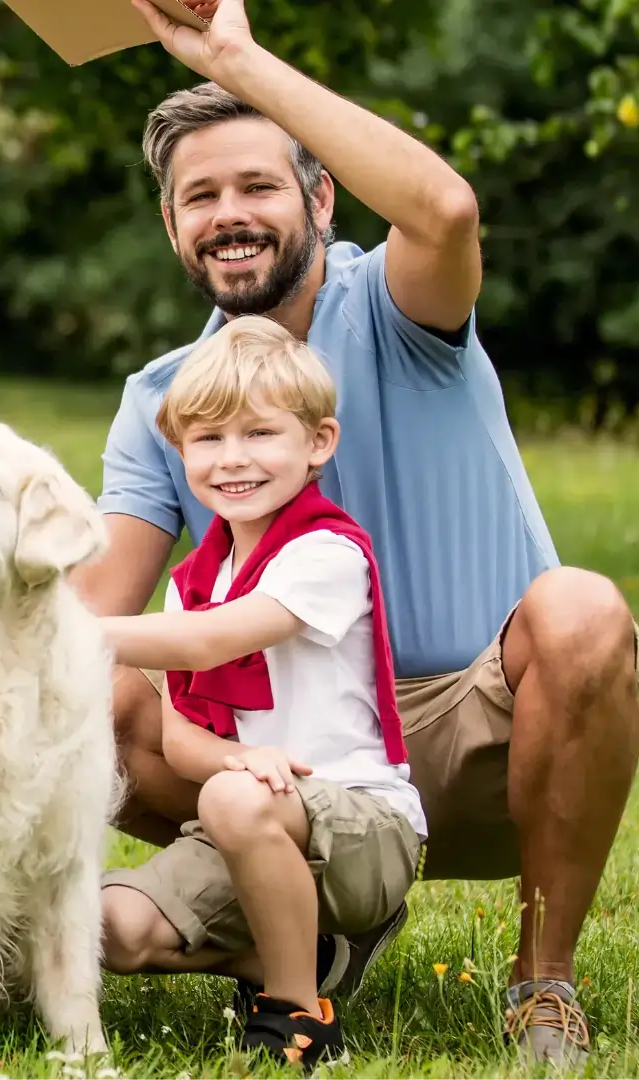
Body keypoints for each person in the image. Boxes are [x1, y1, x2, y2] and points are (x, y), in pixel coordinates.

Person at [79, 0, 639, 1064]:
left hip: (485, 730)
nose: (228, 214)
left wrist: (235, 57)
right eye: (199, 196)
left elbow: (446, 208)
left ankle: (543, 980)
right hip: (286, 763)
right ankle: (301, 943)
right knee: (96, 700)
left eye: (257, 186)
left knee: (581, 611)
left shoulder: (396, 304)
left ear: (321, 196)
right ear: (170, 226)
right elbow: (92, 618)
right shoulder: (162, 397)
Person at [99, 314, 424, 1069]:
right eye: (207, 440)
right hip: (248, 815)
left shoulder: (325, 550)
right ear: (180, 452)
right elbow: (180, 742)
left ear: (317, 443)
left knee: (229, 798)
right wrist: (238, 759)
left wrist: (61, 630)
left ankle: (295, 1017)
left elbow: (213, 641)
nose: (232, 459)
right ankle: (304, 957)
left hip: (362, 827)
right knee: (110, 928)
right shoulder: (194, 581)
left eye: (259, 435)